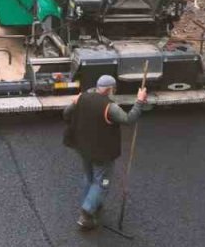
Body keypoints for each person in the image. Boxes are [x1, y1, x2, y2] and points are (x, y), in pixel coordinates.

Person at [62, 75, 149, 231]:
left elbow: (66, 113)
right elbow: (128, 119)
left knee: (89, 178)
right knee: (102, 182)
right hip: (102, 152)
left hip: (82, 147)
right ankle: (87, 213)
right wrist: (140, 101)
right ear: (110, 89)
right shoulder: (110, 107)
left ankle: (93, 203)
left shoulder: (82, 97)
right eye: (114, 89)